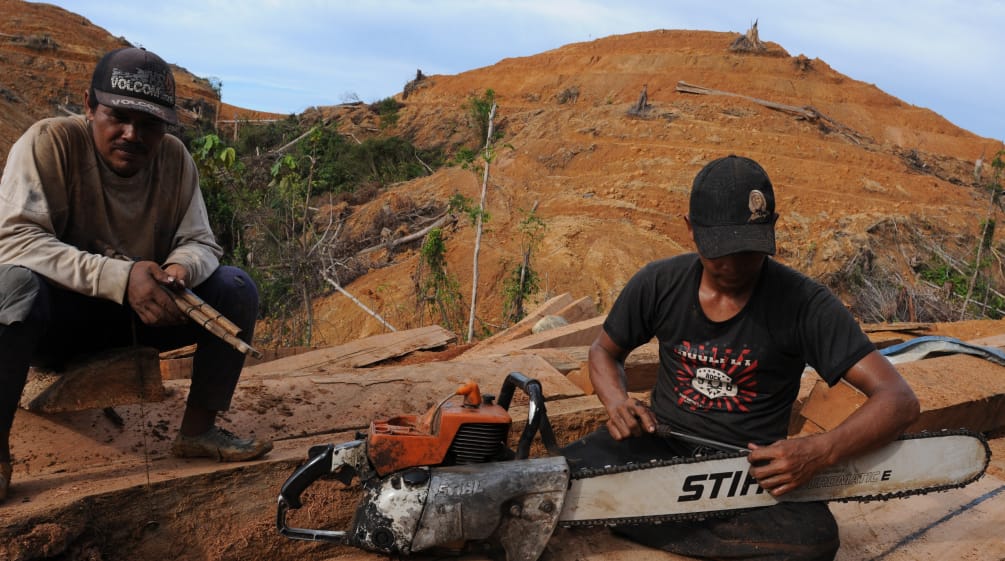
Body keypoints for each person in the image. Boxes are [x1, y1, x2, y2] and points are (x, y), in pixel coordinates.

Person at [561, 155, 920, 560]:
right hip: (658, 447)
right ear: (690, 229)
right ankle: (676, 522)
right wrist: (617, 402)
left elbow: (899, 400)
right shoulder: (658, 282)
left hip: (746, 472)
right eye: (718, 251)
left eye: (747, 251)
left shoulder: (806, 304)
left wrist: (821, 451)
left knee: (814, 543)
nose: (731, 265)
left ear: (772, 227)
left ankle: (635, 515)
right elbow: (604, 352)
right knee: (550, 480)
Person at [0, 47, 272, 503]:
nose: (133, 134)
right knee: (14, 286)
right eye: (119, 116)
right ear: (89, 105)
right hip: (54, 323)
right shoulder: (48, 143)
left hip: (144, 317)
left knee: (235, 287)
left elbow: (201, 242)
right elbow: (14, 241)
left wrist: (179, 270)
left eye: (150, 124)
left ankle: (198, 431)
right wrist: (120, 277)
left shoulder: (175, 160)